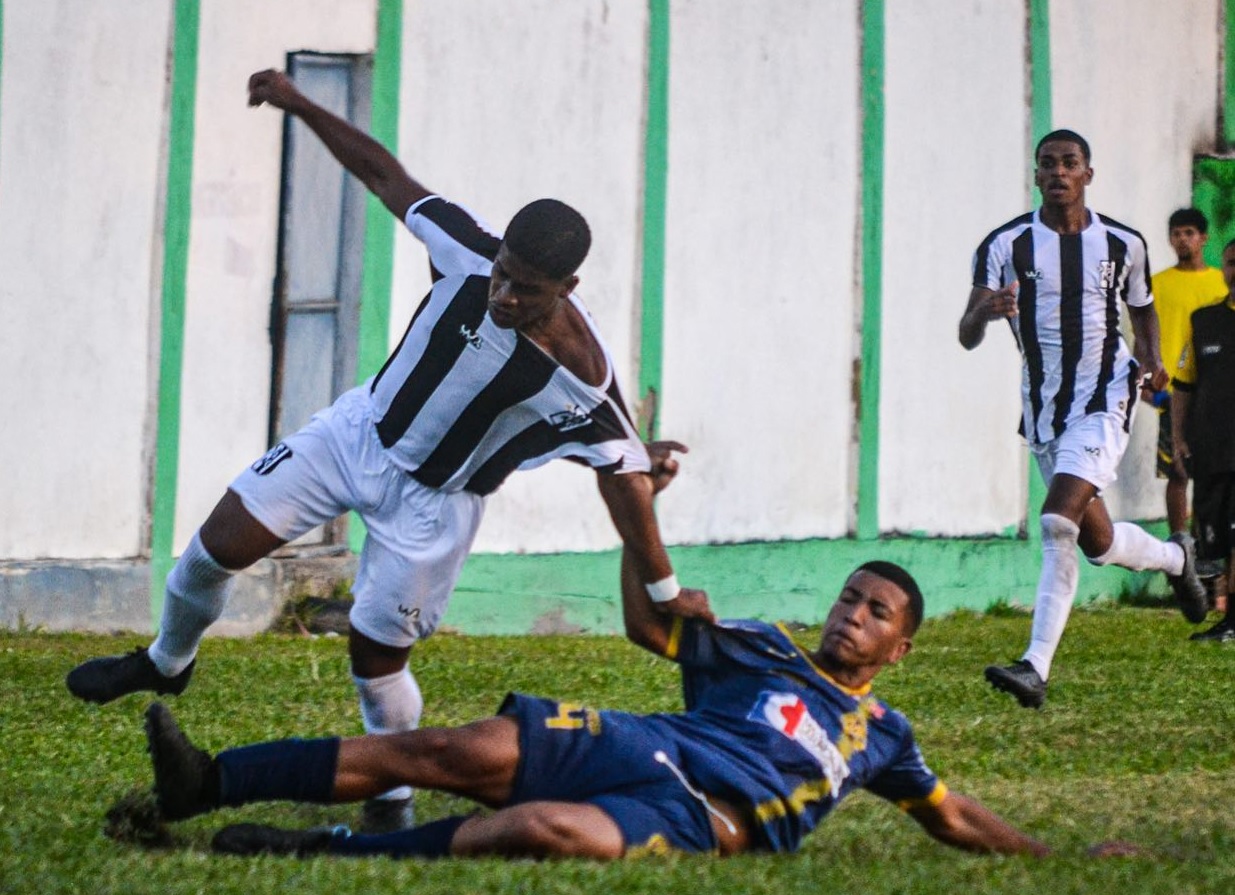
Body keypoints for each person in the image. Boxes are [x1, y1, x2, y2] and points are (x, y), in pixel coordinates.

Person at [67, 68, 711, 829]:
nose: (504, 295)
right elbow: (384, 176)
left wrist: (666, 591)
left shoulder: (579, 375)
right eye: (502, 273)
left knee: (376, 665)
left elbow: (623, 476)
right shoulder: (468, 253)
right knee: (211, 552)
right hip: (355, 435)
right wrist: (302, 101)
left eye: (526, 290)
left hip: (432, 508)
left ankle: (391, 802)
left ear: (567, 286)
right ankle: (166, 662)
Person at [136, 535, 1056, 861]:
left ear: (900, 647)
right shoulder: (763, 650)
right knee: (451, 750)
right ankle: (205, 782)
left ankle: (323, 850)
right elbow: (648, 631)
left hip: (705, 816)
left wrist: (1056, 848)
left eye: (875, 610)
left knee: (540, 831)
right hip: (635, 740)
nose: (852, 614)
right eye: (849, 596)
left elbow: (951, 815)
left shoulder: (884, 736)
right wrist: (643, 541)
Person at [958, 129, 1207, 710]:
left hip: (1105, 394)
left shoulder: (1123, 243)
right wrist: (986, 313)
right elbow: (965, 334)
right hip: (1043, 408)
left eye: (1069, 163)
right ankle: (1177, 557)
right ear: (1037, 174)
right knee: (1095, 543)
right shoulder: (1004, 245)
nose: (1058, 173)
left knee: (1054, 522)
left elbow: (1141, 309)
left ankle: (1034, 666)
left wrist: (1150, 360)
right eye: (1048, 164)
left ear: (1088, 174)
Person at [1147, 208, 1226, 537]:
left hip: (1214, 392)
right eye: (1176, 233)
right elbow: (1141, 335)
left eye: (1189, 233)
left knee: (1217, 472)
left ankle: (1212, 543)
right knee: (1177, 470)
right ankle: (1180, 546)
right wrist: (1145, 378)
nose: (1182, 239)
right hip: (1172, 392)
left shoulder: (1219, 282)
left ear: (1204, 238)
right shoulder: (1157, 284)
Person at [1171, 238, 1235, 642]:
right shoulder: (1204, 321)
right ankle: (1221, 615)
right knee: (1216, 538)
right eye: (1231, 263)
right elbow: (1183, 384)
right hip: (1212, 449)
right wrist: (1178, 436)